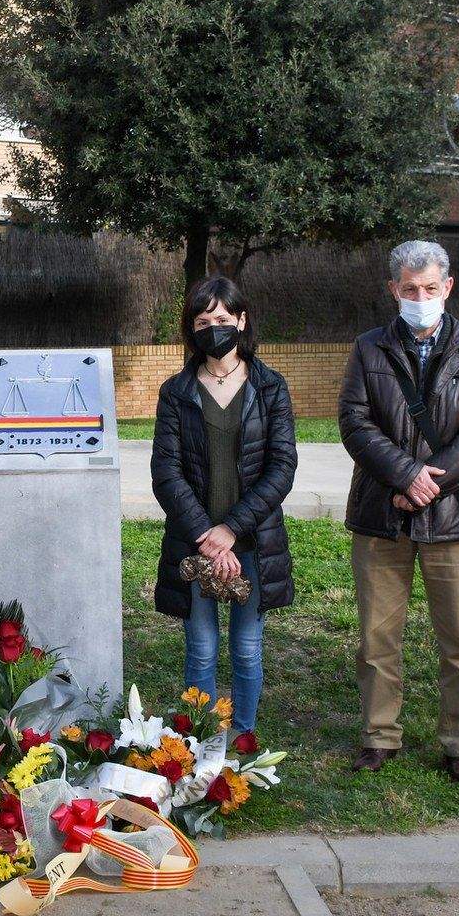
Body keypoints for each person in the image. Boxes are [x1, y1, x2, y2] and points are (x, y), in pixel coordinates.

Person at [338, 239, 459, 785]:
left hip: (451, 517)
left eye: (430, 288)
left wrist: (430, 482)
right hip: (382, 513)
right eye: (410, 289)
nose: (420, 297)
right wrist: (404, 474)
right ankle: (379, 733)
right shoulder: (369, 348)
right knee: (377, 638)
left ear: (448, 287)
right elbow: (355, 423)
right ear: (394, 290)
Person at [151, 276, 297, 745]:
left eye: (221, 319)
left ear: (241, 321)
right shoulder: (175, 392)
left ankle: (243, 738)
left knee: (248, 649)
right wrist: (206, 535)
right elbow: (165, 471)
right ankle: (202, 739)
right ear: (191, 330)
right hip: (195, 545)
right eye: (202, 321)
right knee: (200, 649)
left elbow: (282, 466)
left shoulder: (270, 387)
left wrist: (231, 530)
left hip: (252, 541)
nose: (213, 328)